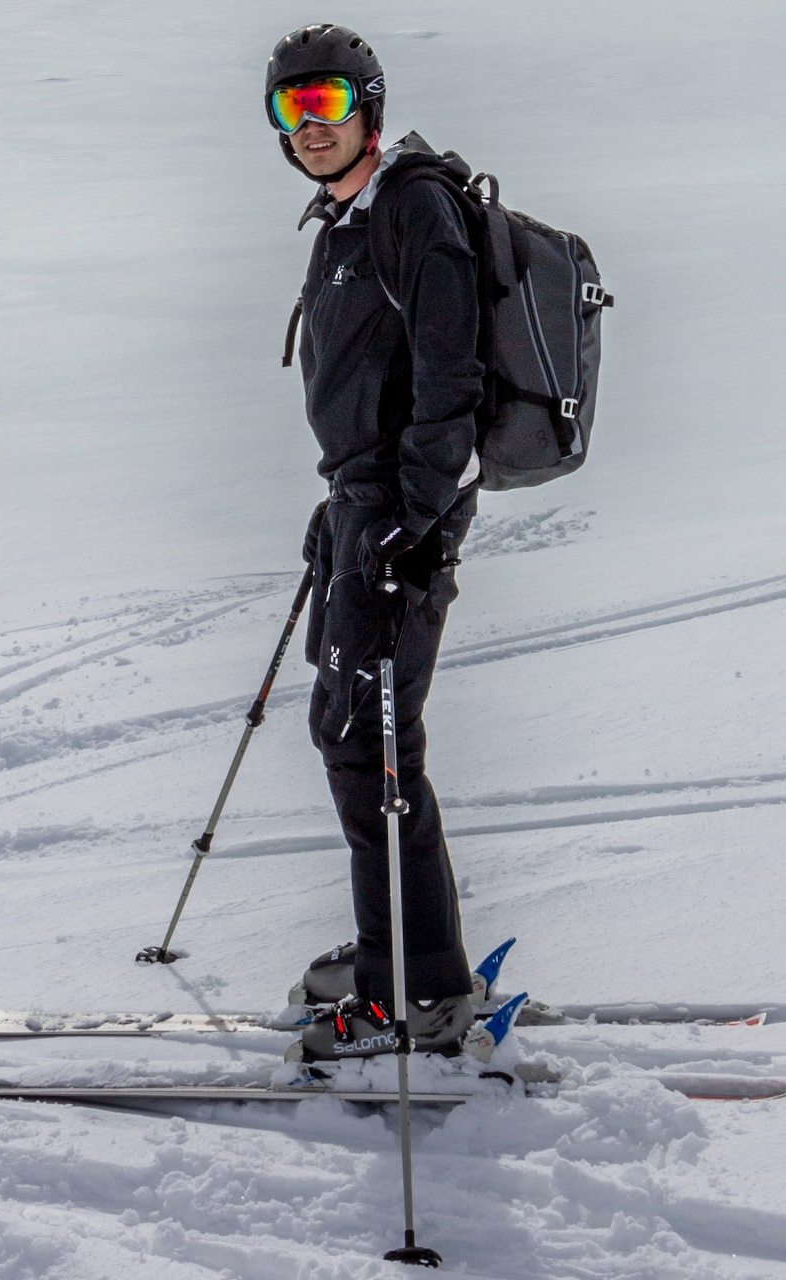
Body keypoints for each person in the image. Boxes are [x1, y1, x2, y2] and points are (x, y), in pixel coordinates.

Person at [265, 24, 485, 1059]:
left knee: (374, 747)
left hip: (403, 520)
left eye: (325, 104)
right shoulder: (345, 220)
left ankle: (419, 989)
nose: (309, 127)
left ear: (368, 104)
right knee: (350, 734)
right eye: (289, 108)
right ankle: (393, 951)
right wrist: (346, 499)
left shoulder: (412, 207)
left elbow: (453, 376)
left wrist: (409, 508)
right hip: (364, 506)